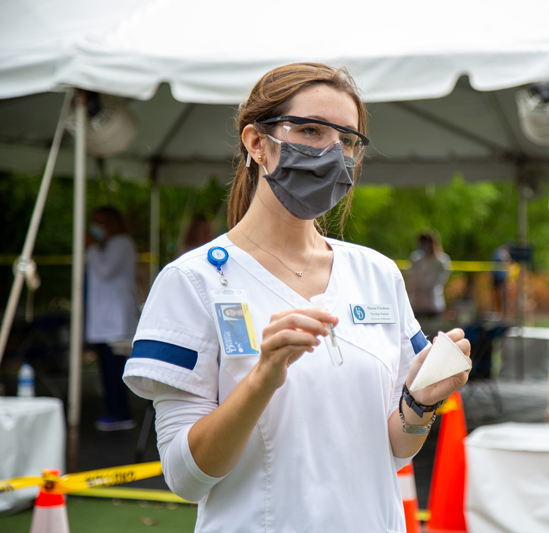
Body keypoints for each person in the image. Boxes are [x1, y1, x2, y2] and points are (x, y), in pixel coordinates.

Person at [122, 63, 471, 532]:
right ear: (256, 142)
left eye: (347, 140)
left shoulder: (378, 273)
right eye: (310, 130)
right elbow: (185, 478)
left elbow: (393, 447)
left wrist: (418, 404)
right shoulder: (193, 280)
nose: (331, 151)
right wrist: (263, 377)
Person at [85, 206, 139, 431]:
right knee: (106, 370)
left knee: (114, 369)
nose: (95, 227)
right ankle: (113, 410)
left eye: (100, 222)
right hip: (104, 319)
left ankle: (121, 412)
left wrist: (90, 248)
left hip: (115, 320)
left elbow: (106, 271)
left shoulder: (121, 244)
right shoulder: (105, 247)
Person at [406, 230, 451, 318]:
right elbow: (411, 279)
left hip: (433, 302)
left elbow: (440, 280)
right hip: (416, 302)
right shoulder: (415, 259)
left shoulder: (440, 261)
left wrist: (425, 293)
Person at [490, 242, 512, 315]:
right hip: (499, 277)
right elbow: (505, 261)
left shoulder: (498, 252)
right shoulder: (501, 252)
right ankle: (499, 312)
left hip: (500, 276)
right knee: (499, 295)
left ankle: (500, 312)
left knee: (501, 296)